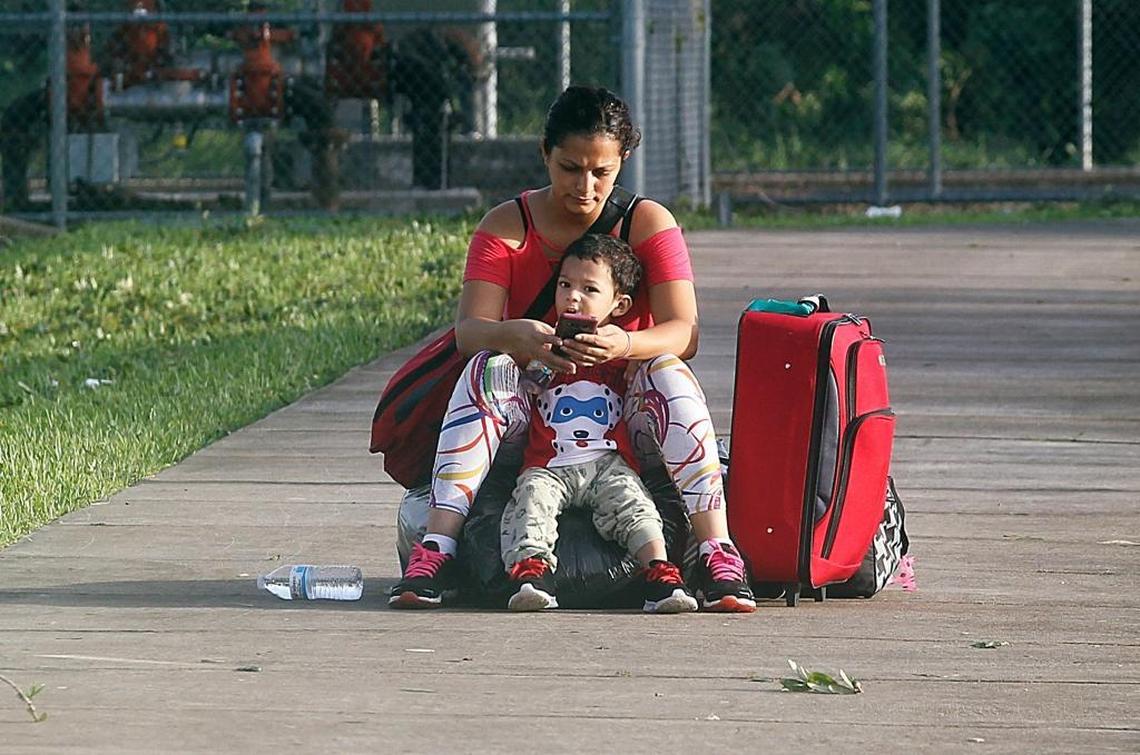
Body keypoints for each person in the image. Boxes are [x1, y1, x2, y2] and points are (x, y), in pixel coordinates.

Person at [389, 84, 756, 613]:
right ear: (544, 153)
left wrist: (623, 343)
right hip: (534, 421)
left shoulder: (648, 222)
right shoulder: (505, 226)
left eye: (601, 172)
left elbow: (684, 331)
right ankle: (438, 549)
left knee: (668, 369)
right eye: (569, 168)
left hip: (621, 421)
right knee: (487, 367)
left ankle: (718, 551)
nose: (585, 187)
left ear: (623, 161)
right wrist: (515, 337)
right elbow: (471, 331)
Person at [500, 233, 697, 614]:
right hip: (548, 463)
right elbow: (525, 389)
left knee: (635, 505)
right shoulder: (544, 348)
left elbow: (655, 362)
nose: (572, 297)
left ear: (619, 304)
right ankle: (530, 573)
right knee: (530, 502)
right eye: (564, 285)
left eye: (589, 289)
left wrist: (633, 351)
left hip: (609, 463)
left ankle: (659, 572)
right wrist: (539, 355)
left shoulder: (619, 353)